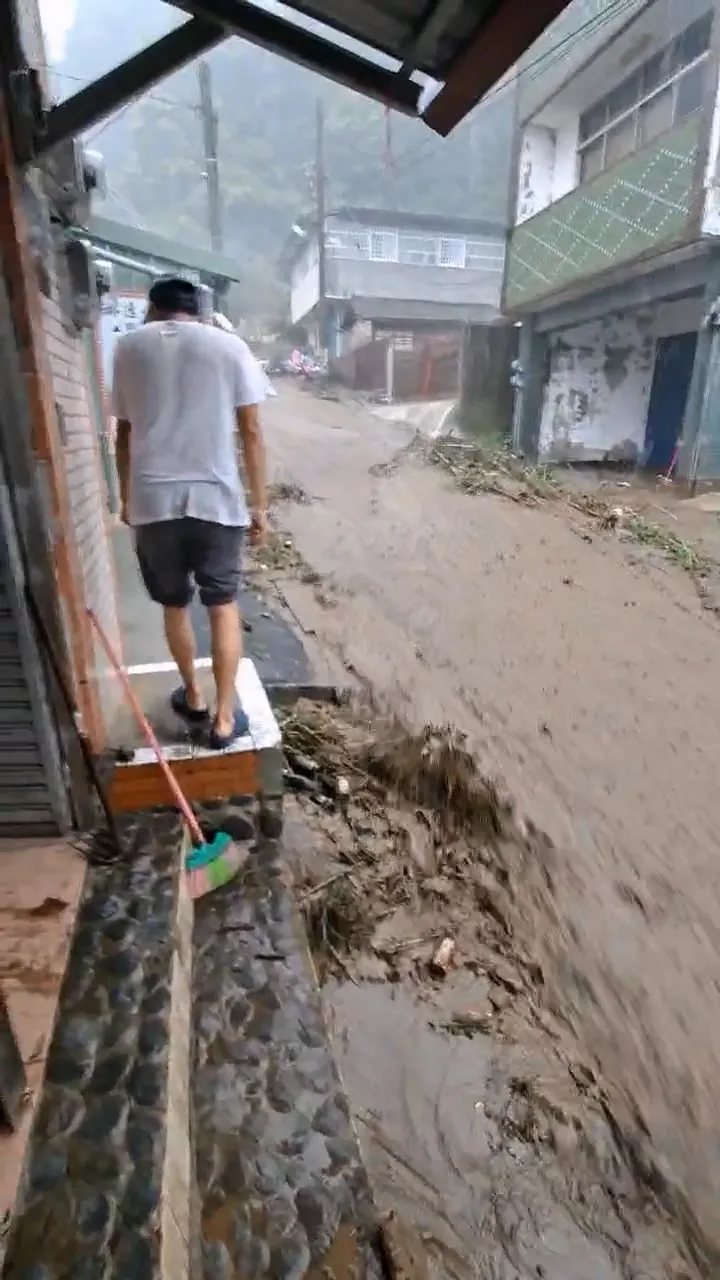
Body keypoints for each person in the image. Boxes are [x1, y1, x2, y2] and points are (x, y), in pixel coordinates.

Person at [112, 275, 269, 749]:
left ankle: (195, 696)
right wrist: (259, 504)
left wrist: (125, 498)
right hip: (217, 501)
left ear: (152, 308)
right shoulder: (229, 347)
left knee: (174, 602)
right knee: (222, 605)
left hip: (153, 501)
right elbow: (252, 430)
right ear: (197, 311)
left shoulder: (129, 348)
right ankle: (223, 720)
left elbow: (123, 432)